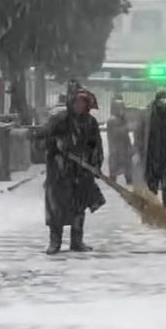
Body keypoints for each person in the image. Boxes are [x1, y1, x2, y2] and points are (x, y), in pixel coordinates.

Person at [37, 88, 105, 254]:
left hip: (81, 172)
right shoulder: (60, 120)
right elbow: (40, 138)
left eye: (83, 103)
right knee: (56, 208)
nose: (79, 106)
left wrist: (95, 164)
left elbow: (96, 145)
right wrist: (56, 143)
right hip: (60, 171)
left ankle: (77, 241)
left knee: (78, 207)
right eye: (77, 102)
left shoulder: (90, 123)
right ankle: (55, 242)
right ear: (71, 103)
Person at [135, 89, 166, 209]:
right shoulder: (148, 115)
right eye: (163, 98)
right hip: (151, 157)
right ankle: (151, 213)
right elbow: (139, 134)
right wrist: (139, 150)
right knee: (151, 189)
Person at [106, 97, 134, 185]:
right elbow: (117, 133)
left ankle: (127, 181)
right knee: (116, 167)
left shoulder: (122, 119)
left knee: (126, 167)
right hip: (116, 148)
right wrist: (127, 127)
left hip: (123, 148)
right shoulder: (113, 120)